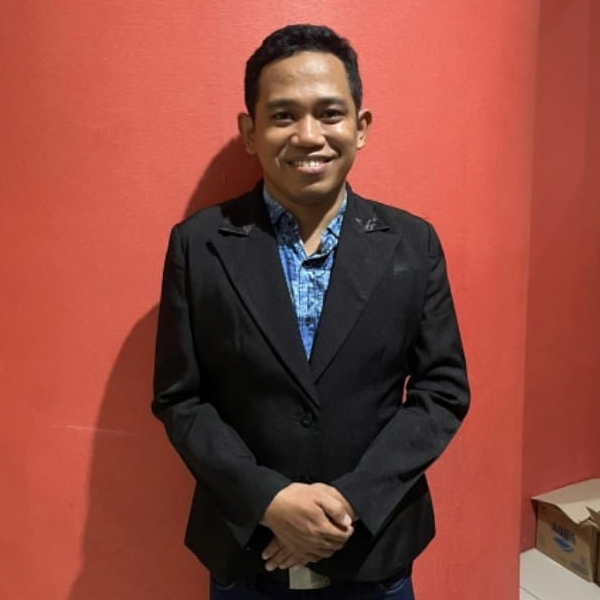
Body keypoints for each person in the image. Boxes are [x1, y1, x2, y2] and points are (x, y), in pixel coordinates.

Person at [152, 24, 469, 600]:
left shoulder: (413, 242)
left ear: (360, 127)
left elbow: (442, 391)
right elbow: (180, 399)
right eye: (282, 116)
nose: (308, 136)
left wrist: (349, 502)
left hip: (373, 550)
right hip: (247, 553)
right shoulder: (199, 244)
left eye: (329, 113)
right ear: (250, 131)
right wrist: (268, 499)